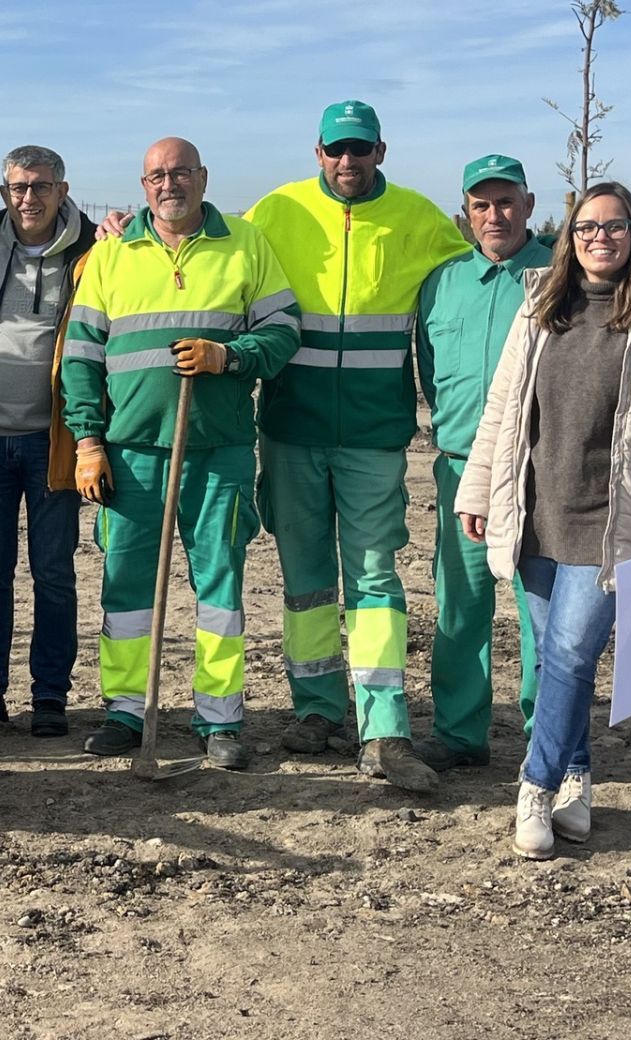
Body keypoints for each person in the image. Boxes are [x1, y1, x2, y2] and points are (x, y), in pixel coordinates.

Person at [455, 181, 631, 860]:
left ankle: (534, 786)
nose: (601, 238)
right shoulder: (540, 304)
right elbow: (504, 407)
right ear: (569, 236)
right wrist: (478, 493)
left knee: (569, 654)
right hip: (539, 511)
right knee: (555, 658)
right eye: (588, 227)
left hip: (611, 520)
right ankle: (578, 777)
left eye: (615, 226)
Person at [244, 100, 469, 794]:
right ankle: (316, 710)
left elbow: (475, 272)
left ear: (381, 151)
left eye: (361, 149)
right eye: (337, 149)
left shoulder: (418, 217)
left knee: (374, 579)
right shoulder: (273, 212)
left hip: (374, 435)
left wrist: (545, 261)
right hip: (290, 429)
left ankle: (383, 729)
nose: (349, 161)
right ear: (317, 152)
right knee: (306, 581)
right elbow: (217, 255)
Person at [62, 138, 300, 767]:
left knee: (219, 586)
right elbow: (81, 356)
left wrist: (231, 356)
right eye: (158, 176)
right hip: (133, 451)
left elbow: (283, 330)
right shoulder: (111, 254)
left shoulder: (245, 243)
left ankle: (219, 720)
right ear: (143, 186)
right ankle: (125, 709)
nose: (171, 184)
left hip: (216, 450)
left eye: (182, 173)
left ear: (203, 178)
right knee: (126, 584)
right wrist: (88, 441)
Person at [0, 145, 96, 737]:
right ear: (4, 192)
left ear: (62, 189)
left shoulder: (92, 251)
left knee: (53, 571)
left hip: (51, 441)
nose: (29, 198)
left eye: (41, 186)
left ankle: (51, 695)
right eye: (18, 187)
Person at [413, 154, 546, 772]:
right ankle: (460, 736)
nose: (495, 216)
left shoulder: (561, 274)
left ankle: (548, 736)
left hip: (544, 471)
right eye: (481, 205)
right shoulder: (441, 285)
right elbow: (430, 374)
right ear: (466, 213)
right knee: (461, 606)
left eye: (506, 202)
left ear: (529, 203)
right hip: (464, 467)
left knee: (542, 609)